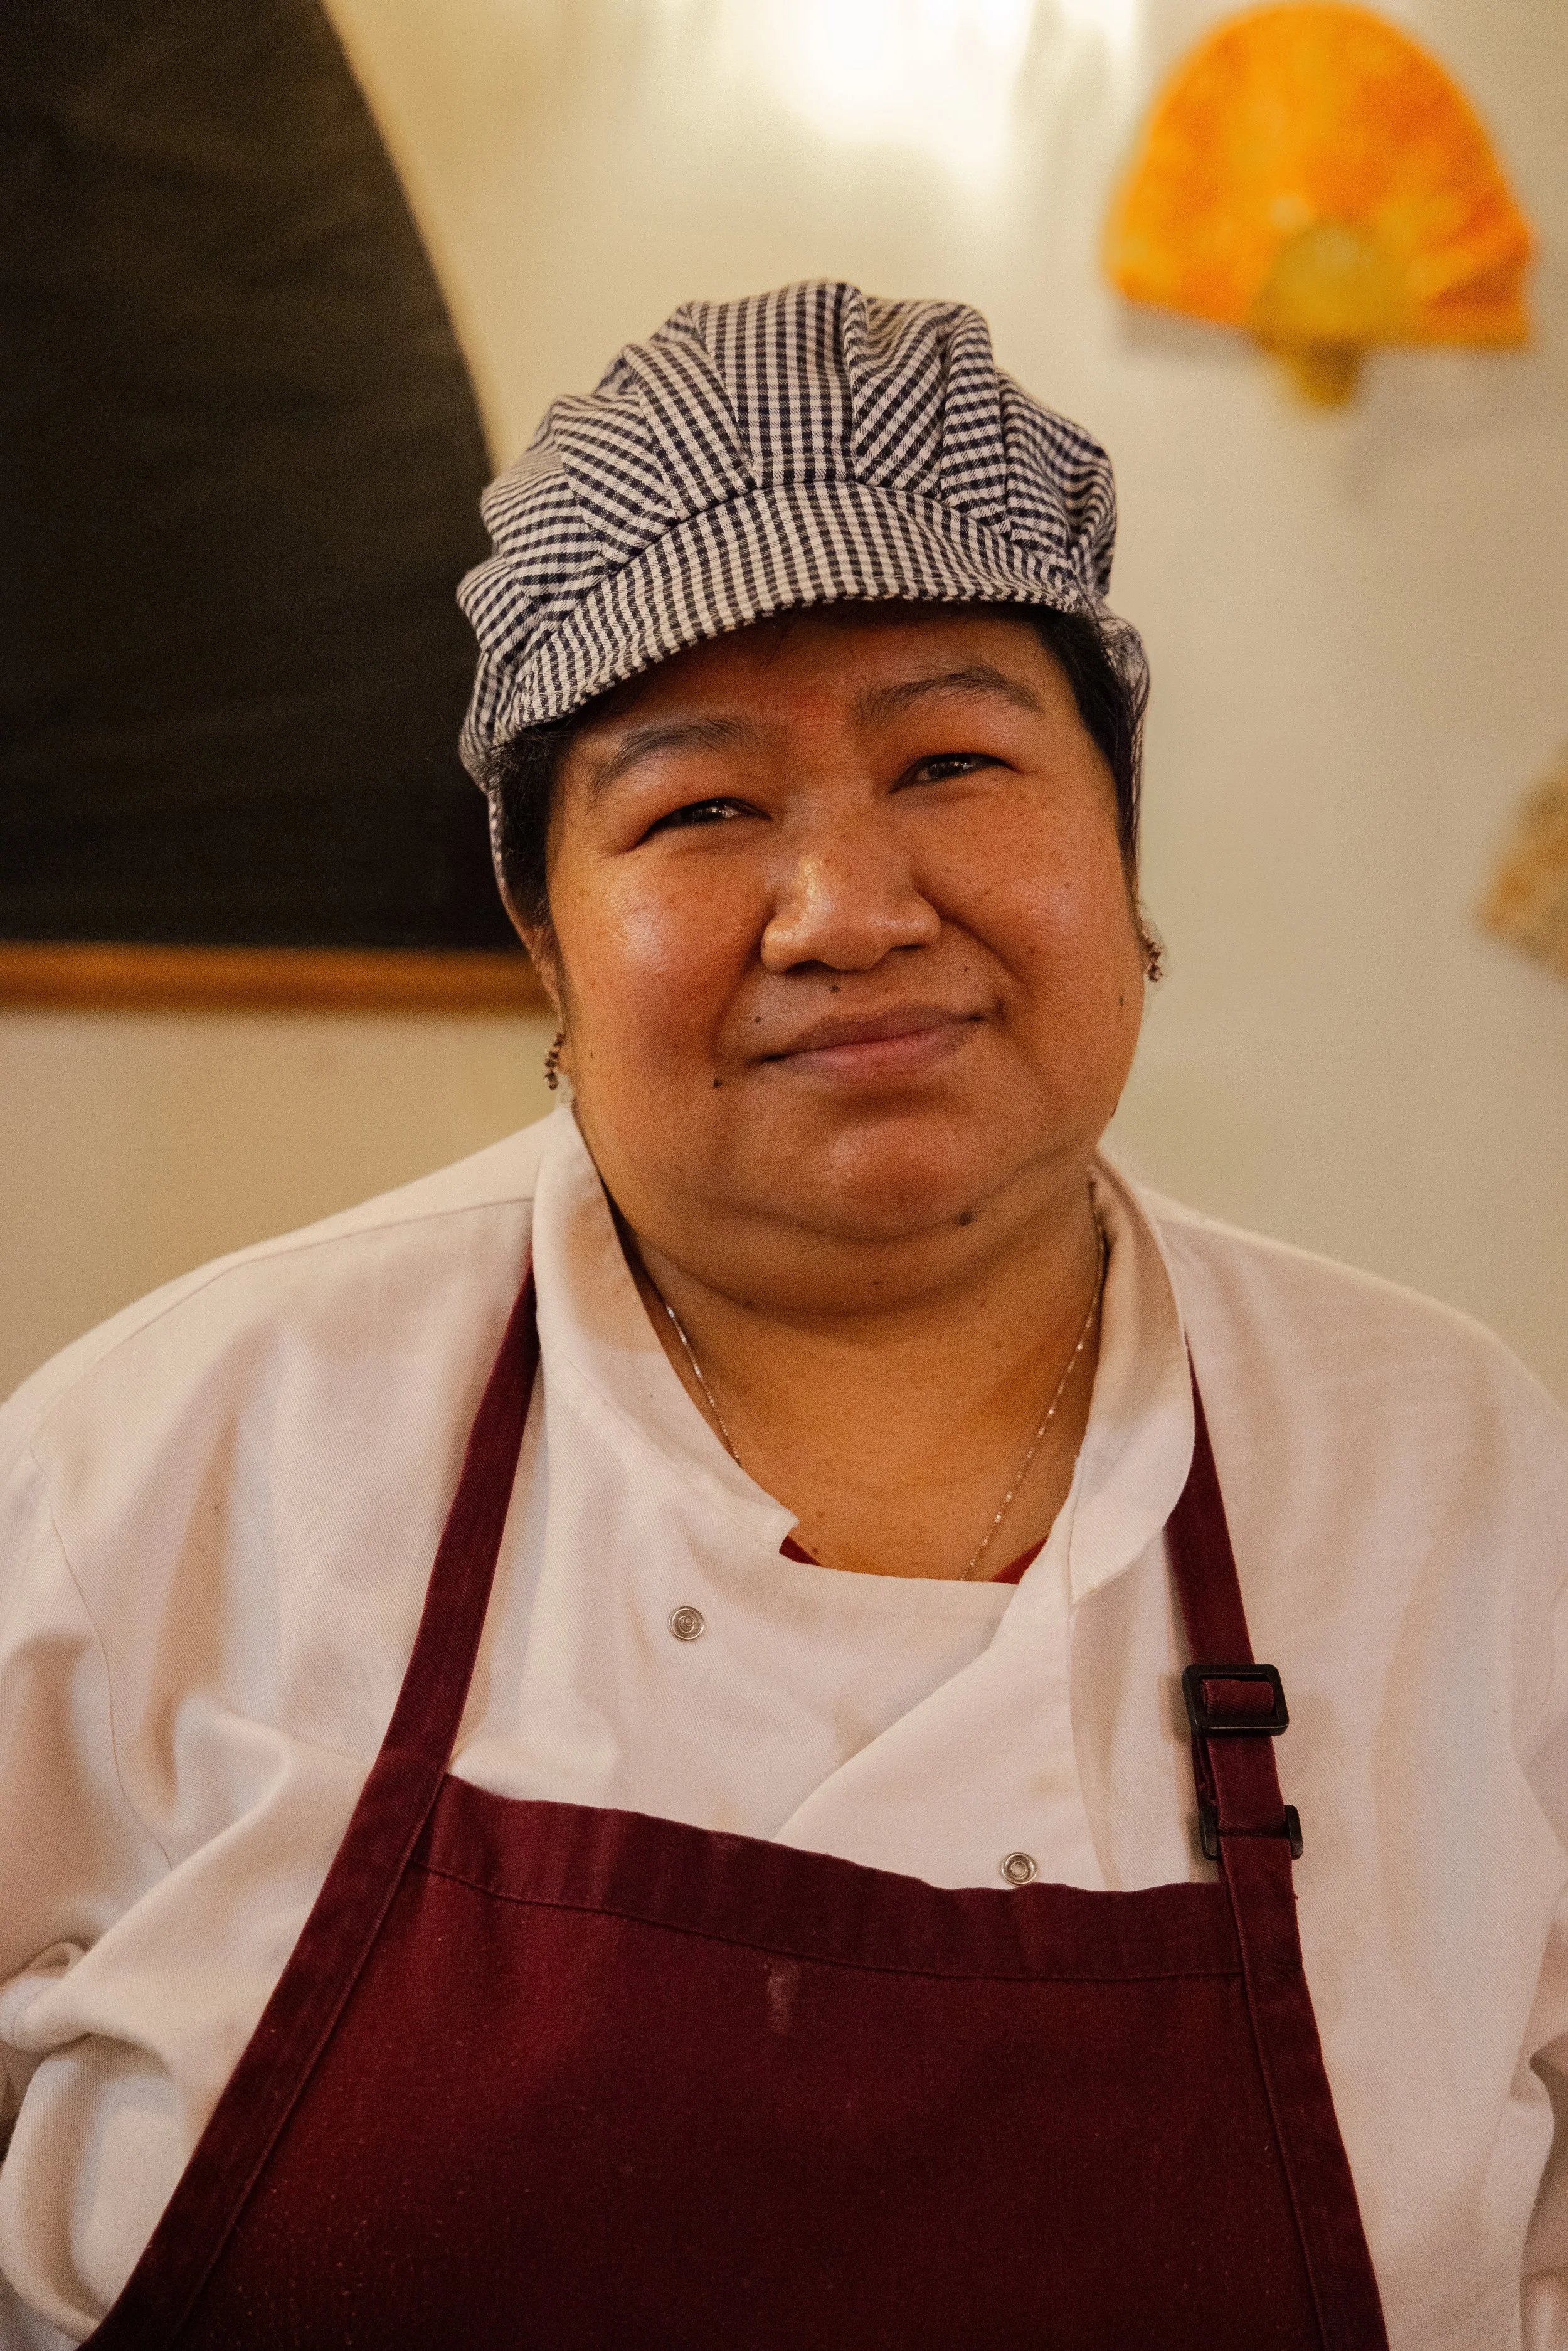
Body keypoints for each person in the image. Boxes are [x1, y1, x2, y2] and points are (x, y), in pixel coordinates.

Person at [1, 281, 1565, 2351]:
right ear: (541, 925)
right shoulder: (177, 1458)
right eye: (700, 809)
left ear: (1119, 838)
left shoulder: (1454, 1473)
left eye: (950, 759)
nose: (848, 910)